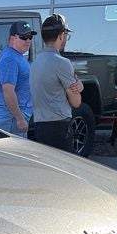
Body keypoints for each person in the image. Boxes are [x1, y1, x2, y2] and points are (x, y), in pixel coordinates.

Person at [30, 14, 83, 151]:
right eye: (66, 34)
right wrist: (78, 85)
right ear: (61, 35)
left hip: (40, 125)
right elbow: (76, 102)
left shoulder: (35, 63)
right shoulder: (62, 63)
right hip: (59, 127)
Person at [0, 21, 34, 137]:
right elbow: (8, 91)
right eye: (23, 37)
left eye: (30, 36)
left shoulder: (16, 56)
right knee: (14, 154)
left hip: (13, 119)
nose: (28, 40)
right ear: (12, 39)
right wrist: (20, 119)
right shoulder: (10, 59)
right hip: (11, 120)